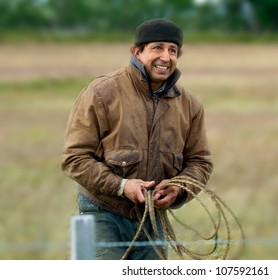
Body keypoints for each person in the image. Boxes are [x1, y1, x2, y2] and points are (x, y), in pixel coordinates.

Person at [61, 18, 213, 260]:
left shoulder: (189, 104)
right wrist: (122, 186)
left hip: (153, 219)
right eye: (157, 48)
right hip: (103, 213)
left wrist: (179, 188)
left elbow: (200, 162)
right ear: (137, 51)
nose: (166, 57)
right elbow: (75, 158)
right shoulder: (101, 93)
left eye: (173, 51)